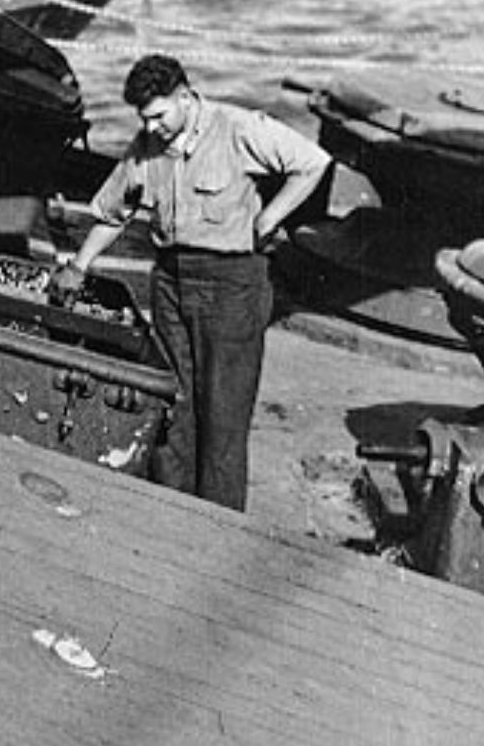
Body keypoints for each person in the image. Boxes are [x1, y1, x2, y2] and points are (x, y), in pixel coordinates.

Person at [53, 54, 332, 512]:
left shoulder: (239, 129)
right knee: (171, 404)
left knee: (223, 416)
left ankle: (218, 524)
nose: (153, 127)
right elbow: (111, 212)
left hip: (232, 285)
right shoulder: (146, 144)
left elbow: (312, 163)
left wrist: (271, 215)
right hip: (170, 281)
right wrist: (79, 265)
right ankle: (172, 513)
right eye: (144, 118)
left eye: (160, 115)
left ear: (185, 97)